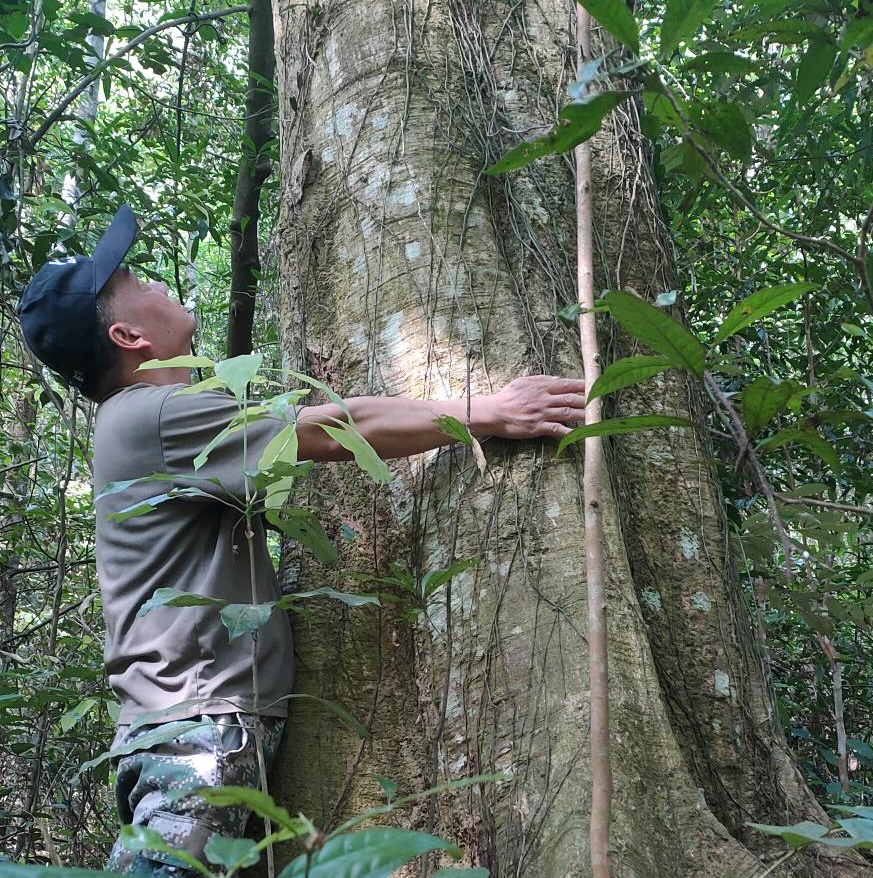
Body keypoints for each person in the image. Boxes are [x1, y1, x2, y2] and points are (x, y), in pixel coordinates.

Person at [17, 206, 586, 875]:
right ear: (127, 333)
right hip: (195, 728)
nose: (155, 283)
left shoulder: (145, 420)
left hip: (186, 724)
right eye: (136, 281)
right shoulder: (154, 415)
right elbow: (330, 428)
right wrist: (484, 412)